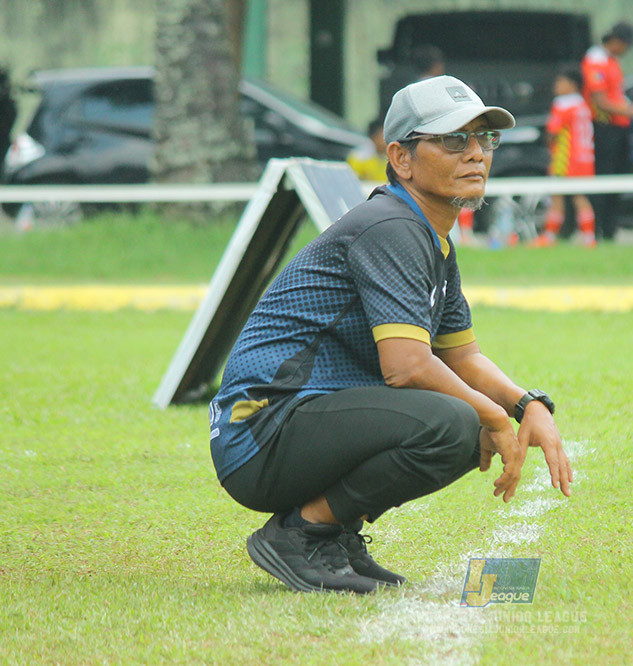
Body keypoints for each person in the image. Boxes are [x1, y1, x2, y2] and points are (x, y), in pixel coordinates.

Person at [209, 75, 573, 595]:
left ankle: (333, 534)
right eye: (453, 139)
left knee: (459, 416)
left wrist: (528, 405)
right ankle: (302, 534)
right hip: (260, 429)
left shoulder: (431, 238)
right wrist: (493, 416)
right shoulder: (391, 227)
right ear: (401, 159)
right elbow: (406, 367)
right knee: (453, 421)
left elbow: (463, 357)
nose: (476, 154)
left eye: (484, 138)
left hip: (290, 424)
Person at [581, 21, 633, 241]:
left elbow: (616, 95)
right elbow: (600, 100)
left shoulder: (611, 61)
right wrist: (632, 111)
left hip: (618, 128)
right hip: (603, 127)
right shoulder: (596, 60)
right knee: (604, 178)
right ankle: (600, 230)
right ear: (617, 41)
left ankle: (610, 230)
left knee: (617, 178)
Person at [532, 68, 596, 248]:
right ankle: (589, 237)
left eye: (561, 82)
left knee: (557, 196)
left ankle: (549, 236)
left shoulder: (563, 104)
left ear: (572, 85)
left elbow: (553, 131)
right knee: (580, 196)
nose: (557, 86)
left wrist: (548, 144)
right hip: (585, 157)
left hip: (565, 158)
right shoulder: (583, 104)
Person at [346, 117, 388, 183]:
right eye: (384, 135)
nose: (388, 139)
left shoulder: (389, 156)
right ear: (374, 136)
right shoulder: (359, 157)